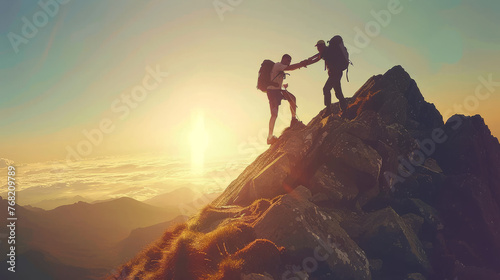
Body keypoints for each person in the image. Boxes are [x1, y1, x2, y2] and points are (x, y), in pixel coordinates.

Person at [266, 54, 308, 145]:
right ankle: (269, 137)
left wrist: (282, 85)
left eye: (290, 61)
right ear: (283, 59)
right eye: (287, 60)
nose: (289, 62)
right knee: (274, 114)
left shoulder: (280, 68)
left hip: (278, 91)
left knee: (292, 98)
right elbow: (291, 68)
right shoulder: (278, 65)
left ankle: (293, 120)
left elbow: (275, 81)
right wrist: (301, 64)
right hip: (272, 92)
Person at [306, 37, 349, 117]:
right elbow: (318, 56)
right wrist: (309, 60)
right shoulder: (327, 50)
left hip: (335, 74)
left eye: (319, 46)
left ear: (322, 46)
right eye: (317, 47)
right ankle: (344, 109)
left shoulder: (326, 52)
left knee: (326, 89)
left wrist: (306, 62)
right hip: (337, 73)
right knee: (338, 91)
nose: (318, 48)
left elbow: (317, 58)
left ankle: (328, 110)